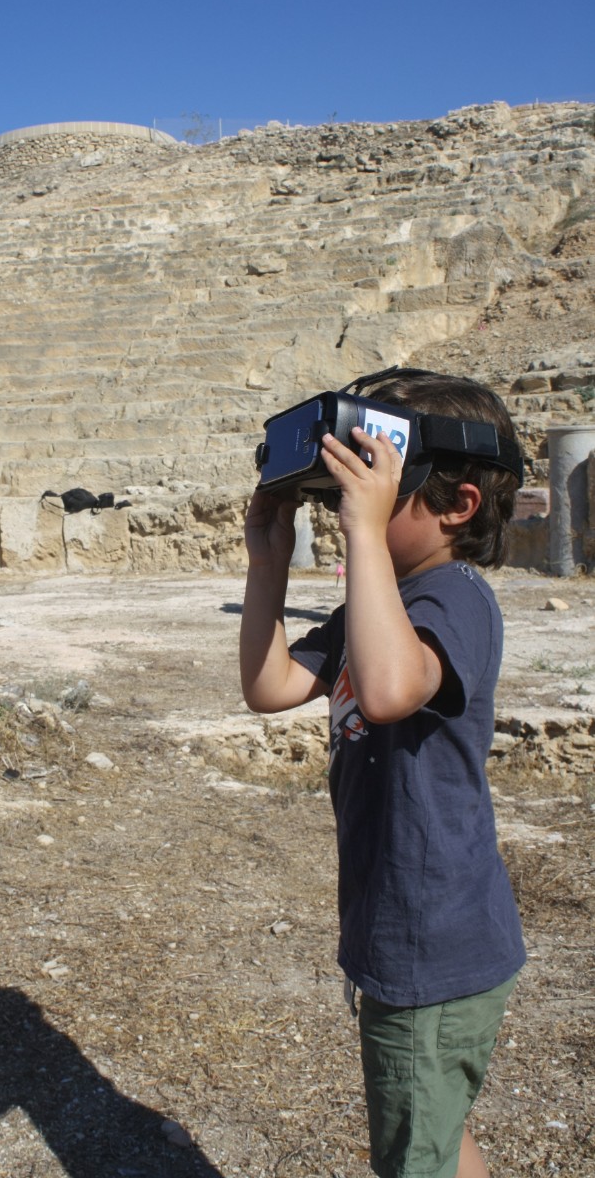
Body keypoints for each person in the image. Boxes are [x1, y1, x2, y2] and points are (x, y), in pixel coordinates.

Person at [239, 371, 526, 1178]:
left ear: (456, 505)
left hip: (432, 941)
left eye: (375, 484)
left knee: (412, 1154)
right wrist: (269, 565)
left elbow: (394, 689)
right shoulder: (378, 605)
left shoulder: (453, 597)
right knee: (425, 1137)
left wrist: (363, 538)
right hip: (399, 926)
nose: (344, 504)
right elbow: (269, 689)